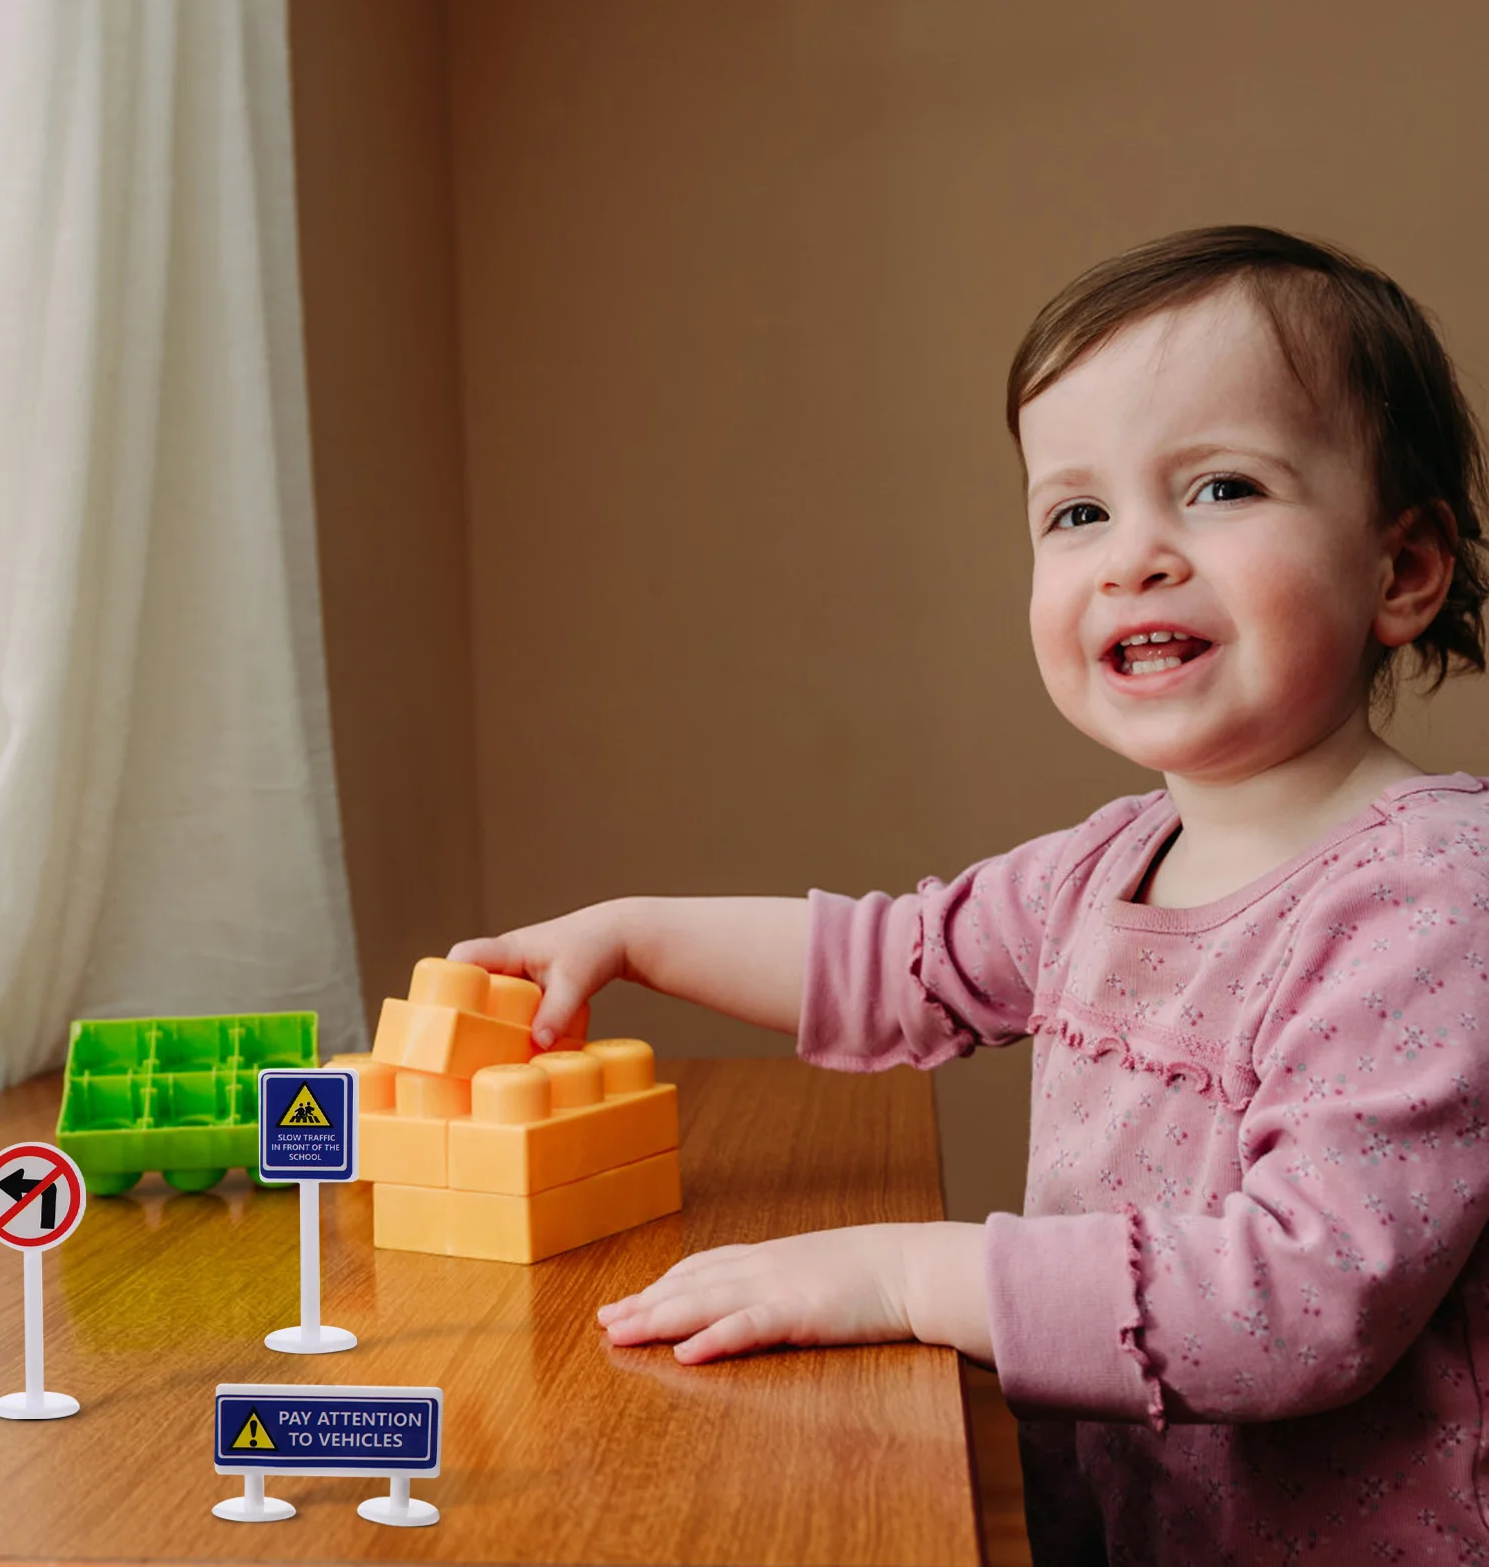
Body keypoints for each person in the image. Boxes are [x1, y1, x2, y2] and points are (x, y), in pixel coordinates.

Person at [448, 226, 1489, 1564]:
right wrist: (635, 933)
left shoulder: (1428, 905)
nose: (1135, 558)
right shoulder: (1100, 867)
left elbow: (1299, 1298)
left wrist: (897, 1275)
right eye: (1077, 513)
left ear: (1402, 571)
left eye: (1221, 489)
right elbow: (890, 962)